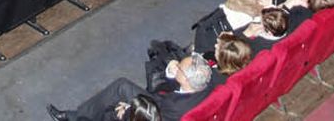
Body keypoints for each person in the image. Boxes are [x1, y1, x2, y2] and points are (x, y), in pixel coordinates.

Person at [46, 49, 214, 120]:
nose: (176, 66)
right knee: (123, 86)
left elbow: (155, 112)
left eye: (179, 68)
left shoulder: (175, 107)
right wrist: (171, 73)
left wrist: (130, 108)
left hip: (156, 110)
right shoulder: (205, 82)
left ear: (186, 79)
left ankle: (76, 117)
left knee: (120, 88)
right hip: (163, 104)